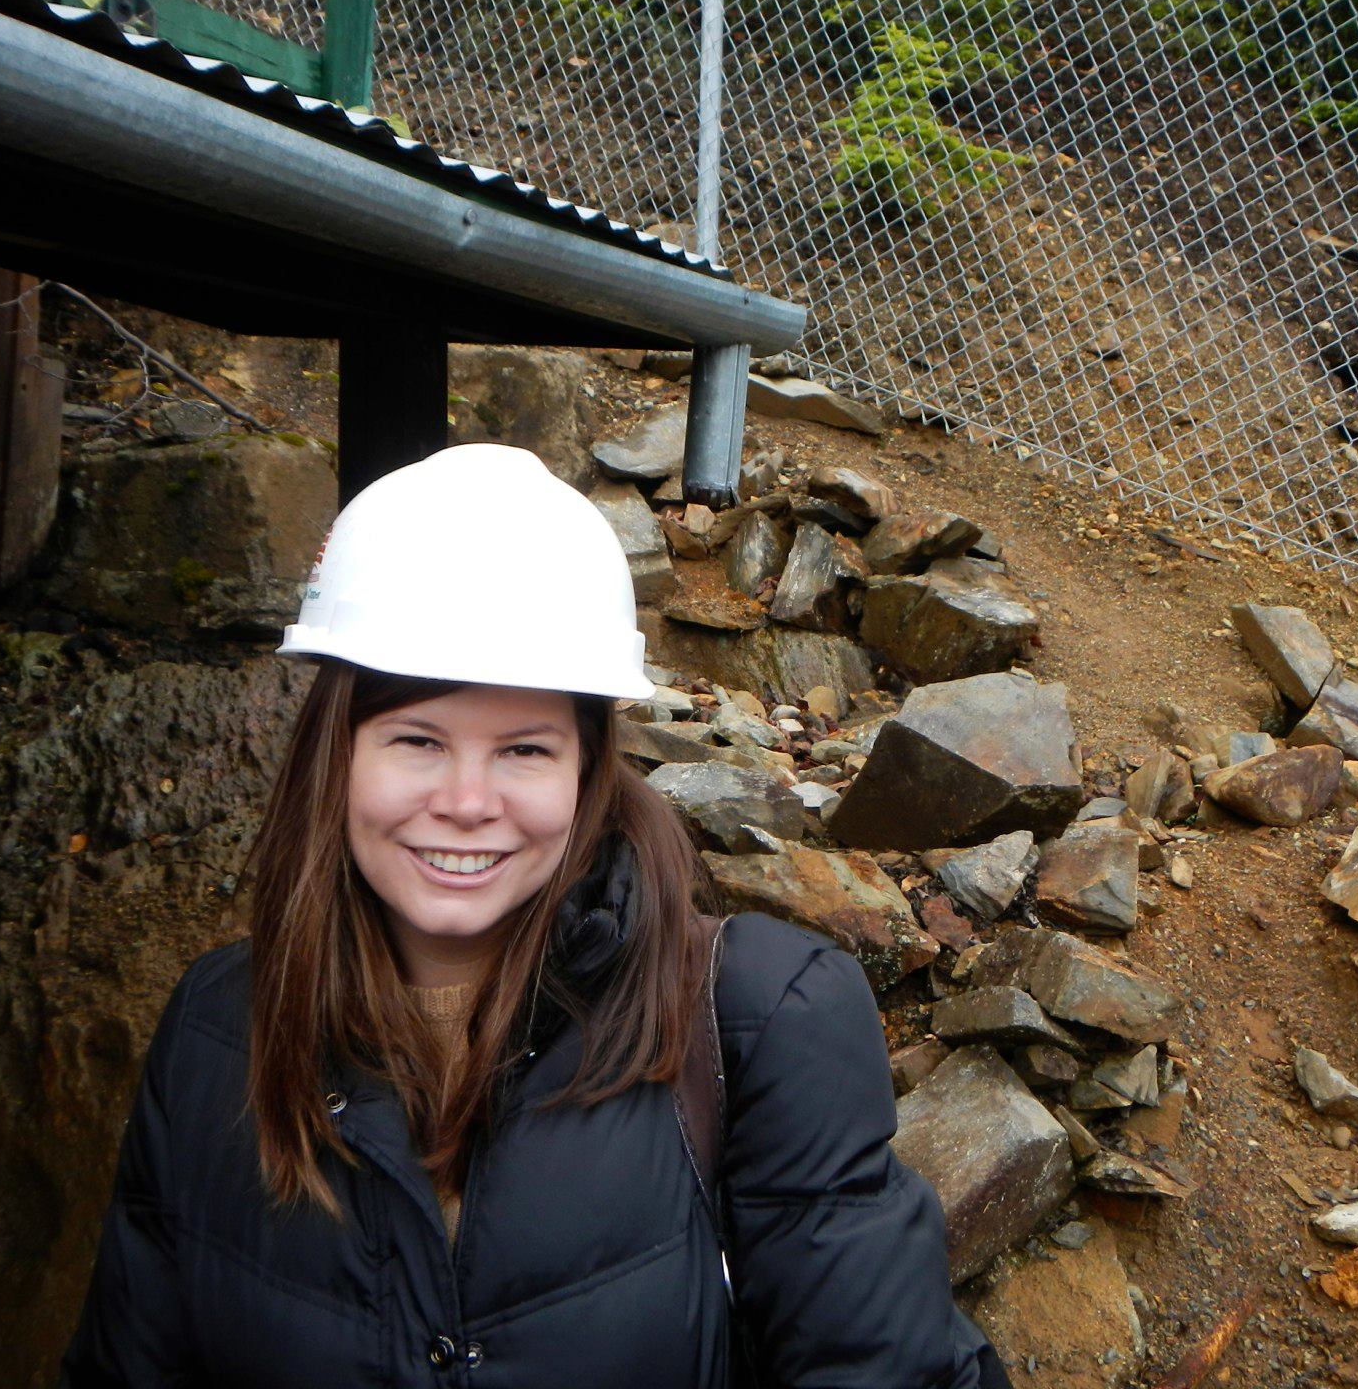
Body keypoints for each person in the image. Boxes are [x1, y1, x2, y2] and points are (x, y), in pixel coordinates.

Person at [60, 443, 1006, 1387]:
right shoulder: (217, 1029)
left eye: (523, 750)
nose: (468, 801)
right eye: (418, 740)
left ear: (590, 771)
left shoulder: (758, 1019)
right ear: (334, 757)